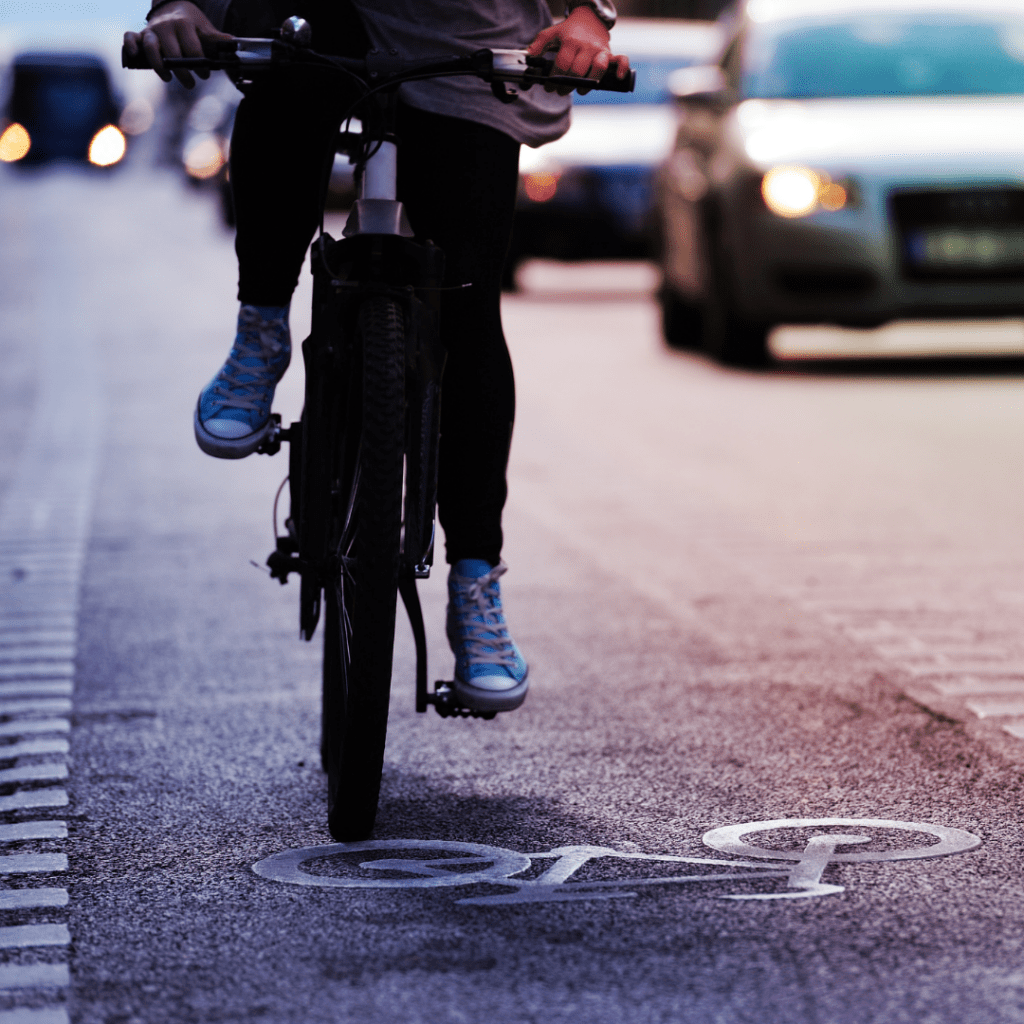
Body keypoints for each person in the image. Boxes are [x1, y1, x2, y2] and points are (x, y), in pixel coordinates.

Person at [123, 0, 629, 714]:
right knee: (288, 76)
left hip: (464, 41)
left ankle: (476, 577)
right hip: (322, 17)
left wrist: (589, 18)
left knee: (468, 308)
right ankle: (261, 331)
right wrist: (183, 6)